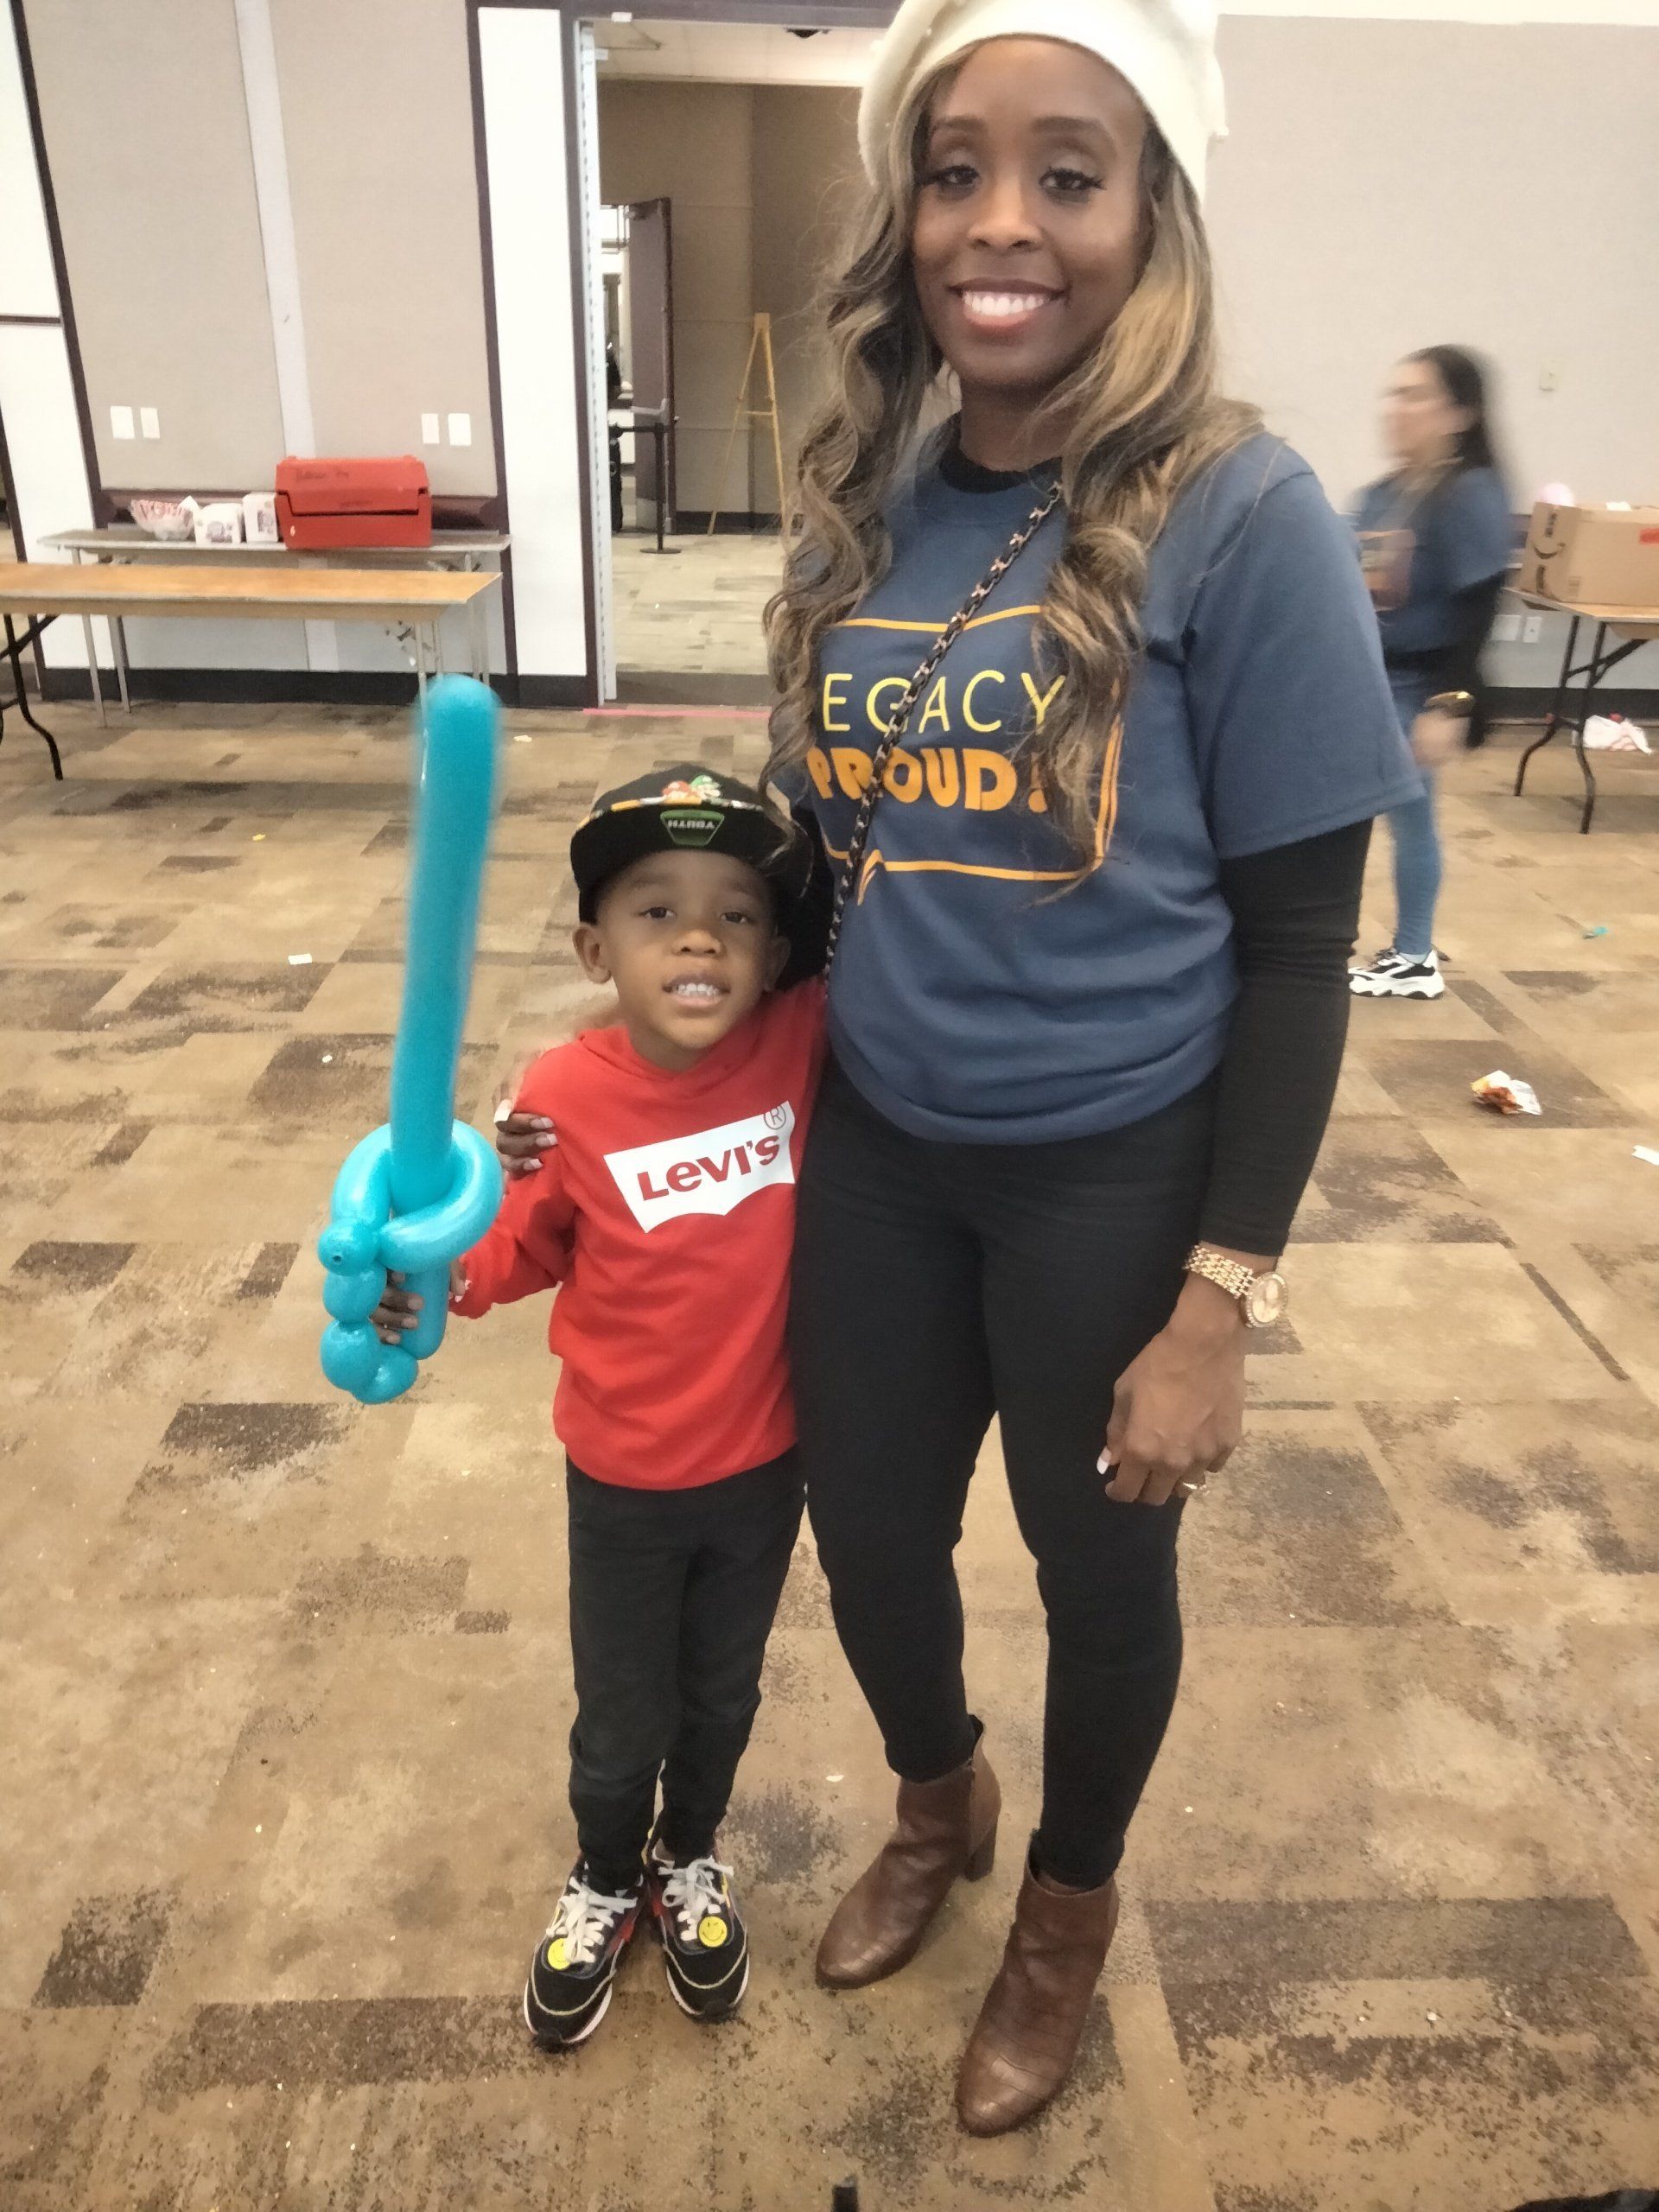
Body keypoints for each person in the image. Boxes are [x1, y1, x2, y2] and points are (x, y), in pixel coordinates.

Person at [764, 0, 1423, 2135]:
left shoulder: (1245, 509)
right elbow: (815, 861)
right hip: (877, 1137)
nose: (1001, 222)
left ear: (1154, 212)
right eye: (956, 166)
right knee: (863, 1531)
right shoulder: (869, 488)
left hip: (1112, 1165)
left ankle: (1063, 1910)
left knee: (1094, 1562)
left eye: (1070, 171)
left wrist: (1218, 1297)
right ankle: (940, 1799)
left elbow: (1309, 940)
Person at [379, 766, 825, 2051]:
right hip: (623, 1479)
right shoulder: (561, 1094)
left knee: (723, 1693)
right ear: (594, 948)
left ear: (778, 951)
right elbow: (510, 1250)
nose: (700, 937)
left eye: (739, 915)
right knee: (622, 1708)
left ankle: (692, 1859)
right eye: (655, 912)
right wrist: (432, 1276)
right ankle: (605, 1874)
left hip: (764, 1466)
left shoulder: (804, 1042)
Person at [1349, 346, 1514, 1001]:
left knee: (1410, 820)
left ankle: (1415, 952)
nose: (1397, 410)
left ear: (1459, 414)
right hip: (1370, 681)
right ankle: (1398, 945)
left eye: (1416, 395)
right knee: (1367, 818)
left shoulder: (1468, 493)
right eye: (1394, 394)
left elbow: (1480, 605)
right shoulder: (1382, 496)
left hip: (1420, 686)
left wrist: (1450, 703)